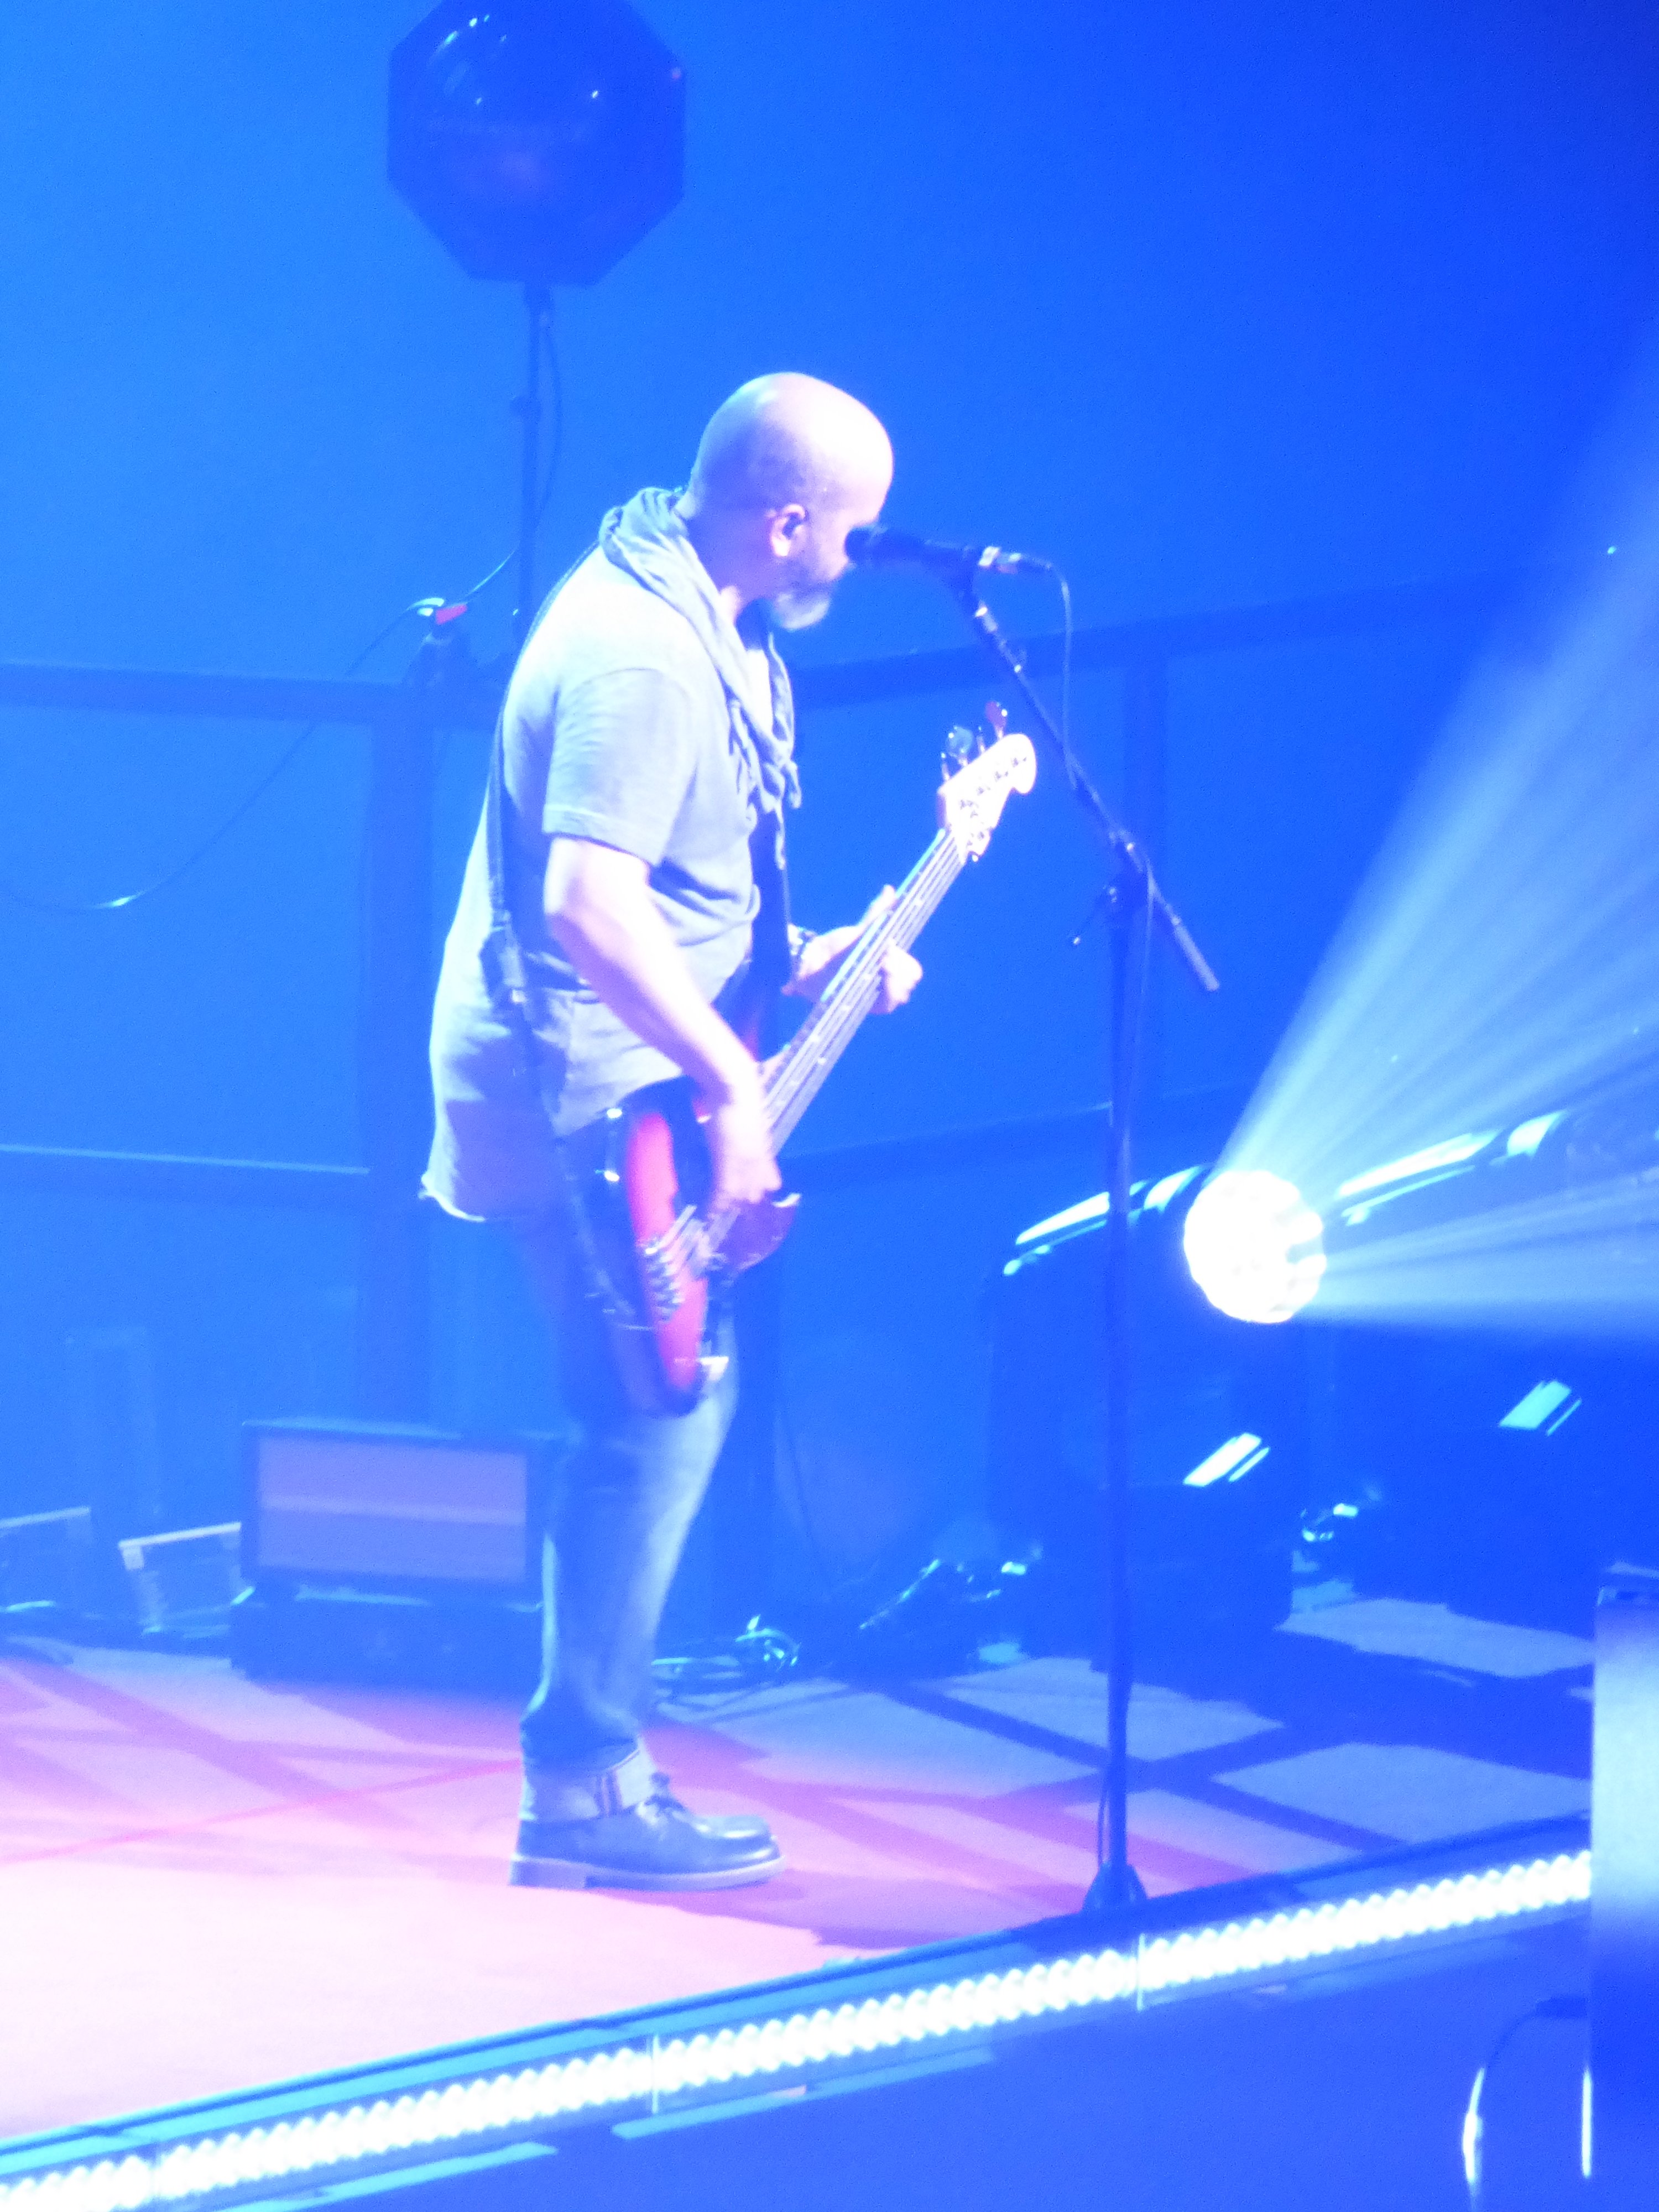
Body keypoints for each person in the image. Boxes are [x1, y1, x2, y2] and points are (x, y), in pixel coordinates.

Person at [424, 373, 921, 1891]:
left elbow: (686, 894)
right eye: (854, 533)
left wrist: (812, 960)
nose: (857, 561)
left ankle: (590, 1770)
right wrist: (728, 1083)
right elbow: (586, 900)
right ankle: (581, 1787)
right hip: (579, 1087)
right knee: (659, 1407)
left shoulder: (723, 623)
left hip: (635, 1072)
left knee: (651, 1404)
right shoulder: (642, 652)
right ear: (790, 522)